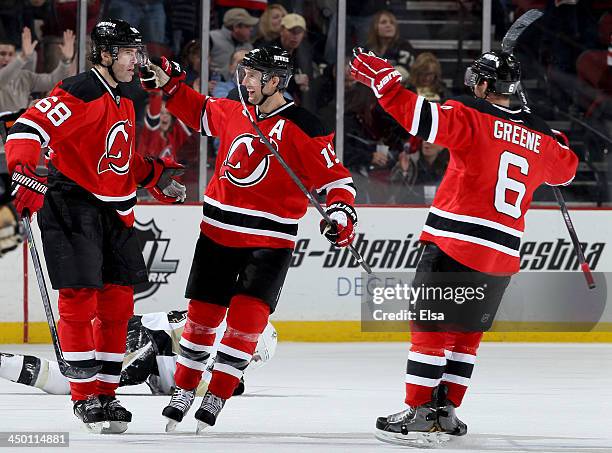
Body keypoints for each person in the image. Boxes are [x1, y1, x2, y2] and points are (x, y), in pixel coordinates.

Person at [350, 48, 578, 445]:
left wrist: (386, 87)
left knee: (430, 329)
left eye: (478, 79)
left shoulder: (471, 114)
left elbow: (419, 118)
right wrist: (555, 139)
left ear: (487, 84)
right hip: (502, 256)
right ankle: (447, 411)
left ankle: (421, 410)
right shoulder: (540, 135)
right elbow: (568, 169)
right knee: (466, 338)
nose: (473, 84)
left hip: (457, 243)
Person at [139, 46, 358, 433]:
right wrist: (170, 85)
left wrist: (341, 213)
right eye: (246, 73)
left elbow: (336, 180)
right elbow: (196, 109)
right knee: (201, 318)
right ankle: (185, 388)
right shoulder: (232, 110)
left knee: (246, 322)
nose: (246, 81)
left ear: (275, 81)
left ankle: (217, 394)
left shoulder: (304, 125)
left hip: (270, 241)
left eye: (255, 75)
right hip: (217, 232)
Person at [3, 19, 187, 434]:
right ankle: (84, 397)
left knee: (118, 305)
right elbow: (28, 128)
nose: (135, 61)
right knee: (80, 299)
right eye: (127, 52)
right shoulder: (81, 89)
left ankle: (106, 393)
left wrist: (153, 175)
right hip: (73, 204)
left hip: (115, 212)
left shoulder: (122, 99)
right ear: (105, 54)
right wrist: (24, 174)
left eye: (136, 52)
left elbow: (116, 157)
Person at [0, 311, 277, 397]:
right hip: (143, 339)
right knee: (70, 384)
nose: (246, 363)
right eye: (253, 357)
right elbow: (187, 384)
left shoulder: (216, 327)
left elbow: (172, 382)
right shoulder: (218, 338)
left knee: (69, 381)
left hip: (137, 333)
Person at [0, 27, 76, 113]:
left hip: (21, 123)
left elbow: (52, 81)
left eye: (10, 54)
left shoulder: (25, 76)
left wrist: (65, 61)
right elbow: (2, 79)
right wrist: (23, 58)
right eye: (2, 54)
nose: (6, 58)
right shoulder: (5, 75)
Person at [209, 8, 258, 81]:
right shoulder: (211, 38)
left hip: (241, 87)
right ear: (236, 27)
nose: (251, 29)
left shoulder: (248, 46)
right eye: (247, 26)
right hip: (214, 87)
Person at [365, 10, 416, 76]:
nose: (388, 25)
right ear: (375, 27)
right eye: (383, 22)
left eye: (392, 23)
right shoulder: (368, 48)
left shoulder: (404, 46)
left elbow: (404, 71)